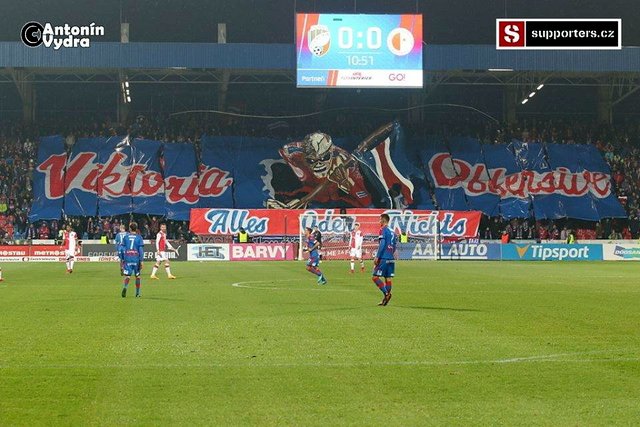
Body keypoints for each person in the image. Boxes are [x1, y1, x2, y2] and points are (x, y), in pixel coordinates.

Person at [372, 213, 396, 306]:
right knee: (388, 278)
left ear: (383, 220)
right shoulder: (393, 231)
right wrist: (391, 253)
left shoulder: (383, 229)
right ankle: (385, 300)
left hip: (384, 257)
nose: (379, 221)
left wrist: (377, 256)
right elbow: (394, 245)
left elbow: (382, 244)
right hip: (391, 257)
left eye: (380, 219)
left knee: (374, 277)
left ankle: (387, 294)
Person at [119, 222, 144, 298]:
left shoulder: (126, 237)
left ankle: (125, 287)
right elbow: (141, 250)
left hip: (128, 258)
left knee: (128, 276)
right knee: (138, 276)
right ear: (136, 228)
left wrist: (122, 259)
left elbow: (122, 249)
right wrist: (141, 260)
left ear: (129, 228)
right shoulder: (139, 237)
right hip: (136, 258)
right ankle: (137, 293)